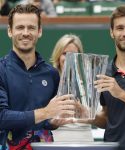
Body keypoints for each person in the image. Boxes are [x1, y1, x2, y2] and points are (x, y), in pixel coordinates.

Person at [0, 4, 76, 149]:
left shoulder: (51, 74)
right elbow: (2, 117)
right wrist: (46, 112)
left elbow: (47, 120)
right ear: (10, 31)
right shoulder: (1, 69)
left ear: (39, 31)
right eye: (20, 27)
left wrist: (53, 122)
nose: (26, 32)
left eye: (31, 27)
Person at [77, 5, 125, 150]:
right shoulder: (104, 71)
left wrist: (121, 94)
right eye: (120, 28)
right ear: (112, 32)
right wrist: (87, 116)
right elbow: (107, 119)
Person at [50, 34, 94, 142]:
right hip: (57, 142)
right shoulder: (46, 82)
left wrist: (87, 115)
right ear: (58, 56)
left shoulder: (90, 84)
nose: (69, 58)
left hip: (85, 141)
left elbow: (101, 119)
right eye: (65, 54)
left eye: (74, 54)